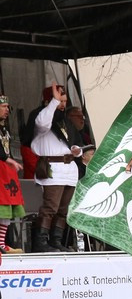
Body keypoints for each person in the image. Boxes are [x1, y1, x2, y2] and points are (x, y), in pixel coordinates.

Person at [30, 84, 83, 252]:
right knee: (50, 208)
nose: (63, 105)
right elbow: (42, 122)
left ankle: (56, 241)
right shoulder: (43, 121)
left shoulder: (66, 123)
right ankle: (41, 242)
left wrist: (77, 150)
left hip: (69, 169)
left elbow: (76, 143)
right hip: (53, 169)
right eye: (60, 101)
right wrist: (53, 102)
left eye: (65, 101)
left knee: (63, 210)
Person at [0, 95, 26, 254]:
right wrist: (9, 160)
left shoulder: (4, 128)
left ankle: (1, 243)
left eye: (8, 107)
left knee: (6, 208)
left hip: (6, 172)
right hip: (2, 170)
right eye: (3, 107)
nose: (7, 110)